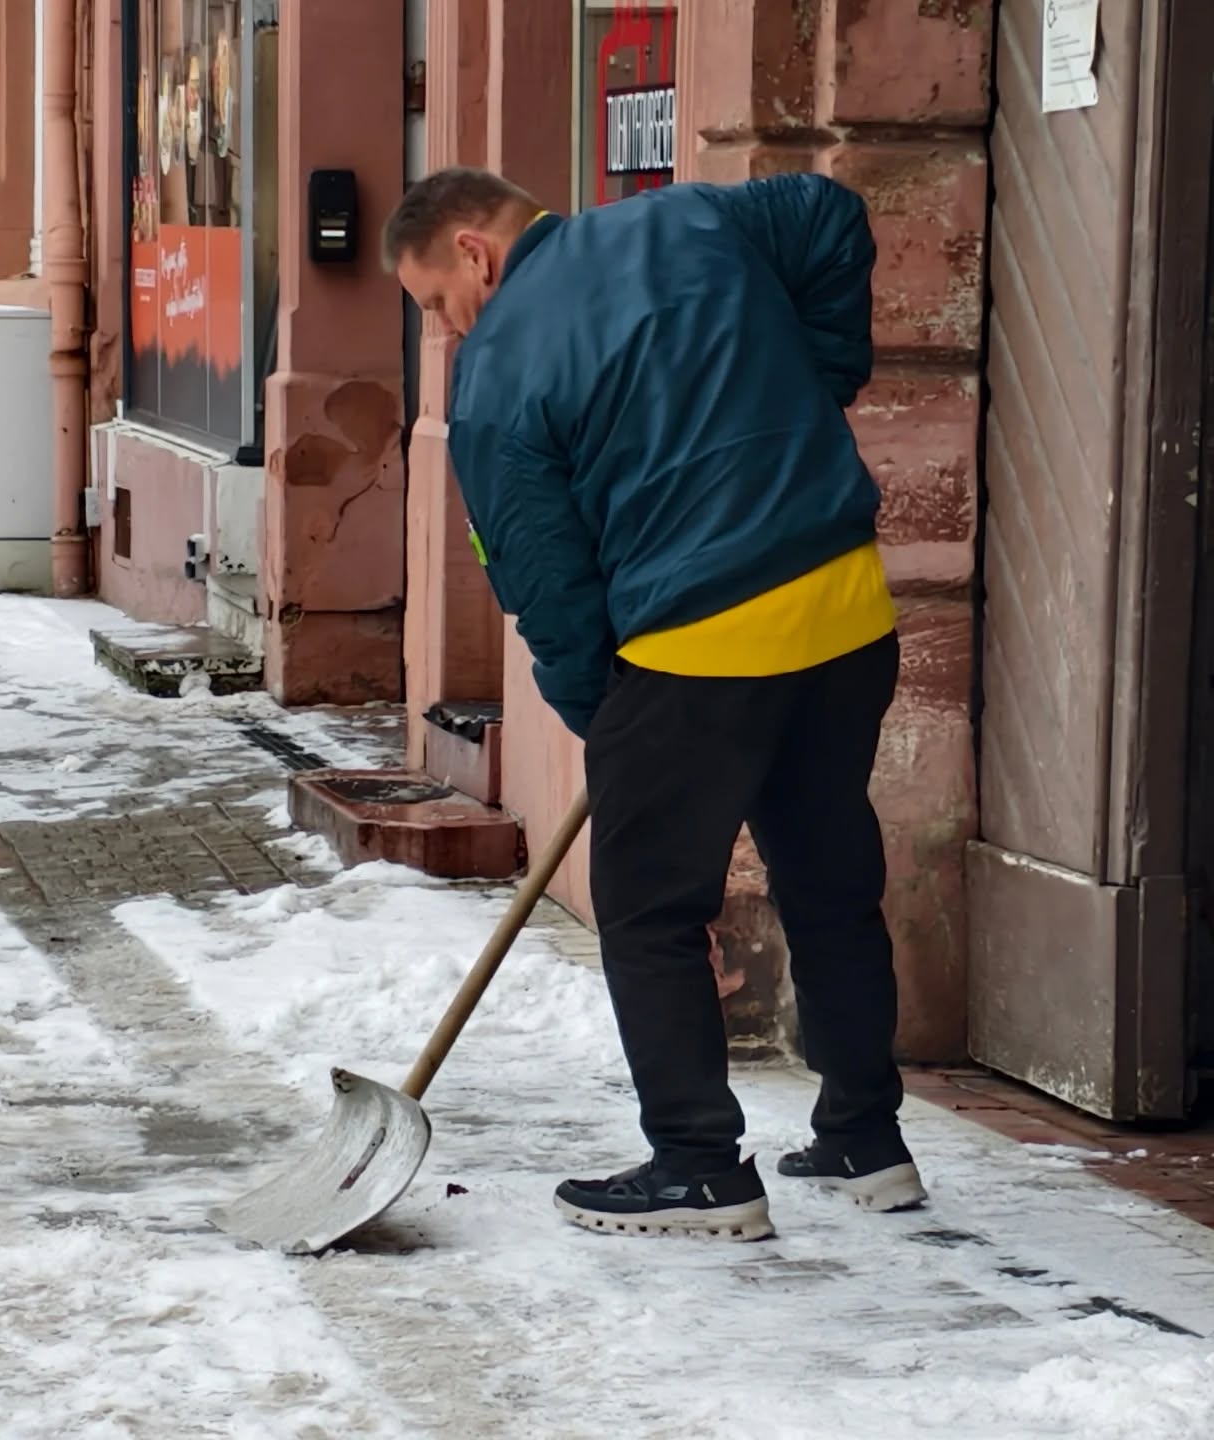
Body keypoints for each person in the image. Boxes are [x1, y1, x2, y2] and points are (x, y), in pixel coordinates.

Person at [383, 167, 927, 1239]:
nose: (446, 330)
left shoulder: (493, 378)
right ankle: (865, 1139)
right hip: (844, 611)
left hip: (695, 655)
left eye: (435, 306)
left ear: (472, 253)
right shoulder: (688, 216)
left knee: (646, 908)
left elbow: (544, 584)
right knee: (826, 882)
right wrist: (817, 381)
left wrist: (608, 718)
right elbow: (830, 215)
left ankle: (696, 1166)